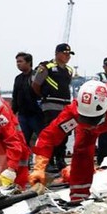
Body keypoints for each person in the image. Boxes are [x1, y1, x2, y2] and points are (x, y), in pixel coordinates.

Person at [30, 80, 107, 203]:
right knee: (81, 150)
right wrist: (39, 168)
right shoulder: (73, 112)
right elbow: (48, 136)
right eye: (87, 120)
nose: (92, 126)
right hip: (86, 123)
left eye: (93, 120)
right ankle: (79, 195)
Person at [31, 43, 75, 171]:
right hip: (51, 105)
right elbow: (36, 85)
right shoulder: (46, 67)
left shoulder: (69, 70)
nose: (67, 56)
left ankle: (60, 158)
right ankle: (49, 161)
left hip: (65, 105)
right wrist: (45, 96)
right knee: (51, 133)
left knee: (65, 132)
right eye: (65, 53)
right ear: (57, 54)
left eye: (69, 54)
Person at [11, 52, 43, 147]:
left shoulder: (36, 76)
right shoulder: (18, 78)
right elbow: (15, 96)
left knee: (42, 139)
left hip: (36, 115)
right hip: (23, 115)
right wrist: (12, 113)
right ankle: (25, 160)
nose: (18, 64)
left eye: (20, 61)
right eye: (17, 62)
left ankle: (47, 160)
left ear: (29, 62)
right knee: (23, 141)